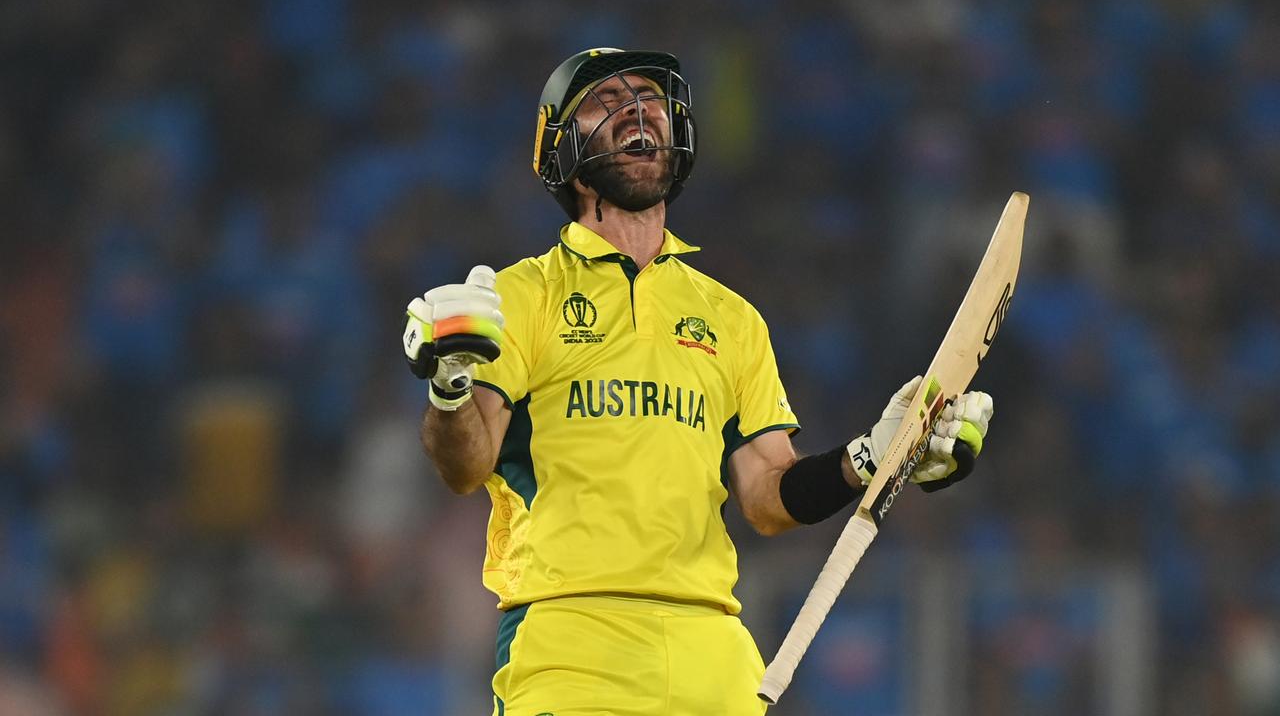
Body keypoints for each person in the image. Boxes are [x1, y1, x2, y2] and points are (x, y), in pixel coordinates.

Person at [401, 48, 994, 716]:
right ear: (561, 149)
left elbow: (769, 498)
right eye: (607, 103)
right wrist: (449, 387)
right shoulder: (521, 295)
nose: (638, 110)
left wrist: (871, 455)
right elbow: (465, 467)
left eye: (650, 100)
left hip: (712, 645)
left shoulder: (732, 319)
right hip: (571, 640)